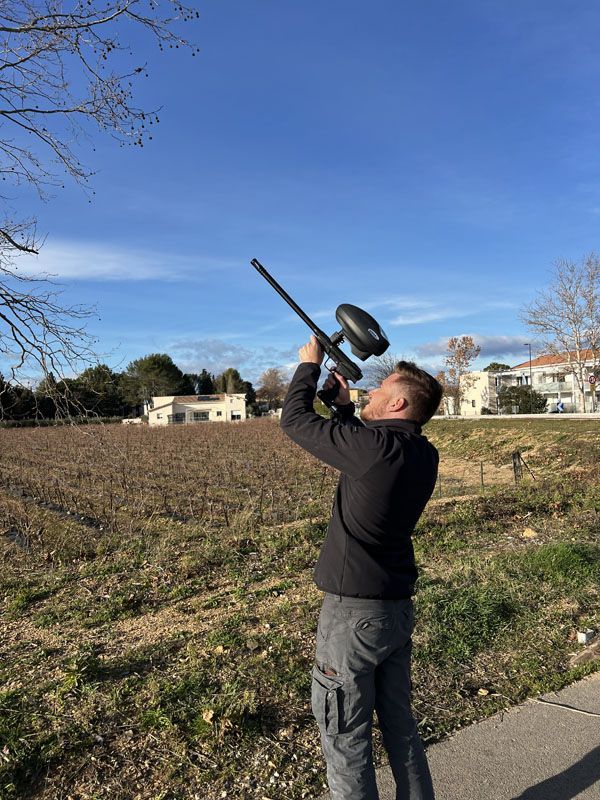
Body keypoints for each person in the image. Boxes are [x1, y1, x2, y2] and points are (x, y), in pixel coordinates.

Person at [280, 335, 443, 800]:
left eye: (379, 390)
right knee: (401, 730)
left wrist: (308, 368)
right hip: (394, 612)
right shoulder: (421, 453)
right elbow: (368, 445)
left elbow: (294, 421)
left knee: (346, 738)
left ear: (397, 401)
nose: (368, 392)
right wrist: (345, 411)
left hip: (353, 618)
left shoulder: (376, 450)